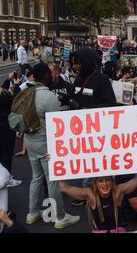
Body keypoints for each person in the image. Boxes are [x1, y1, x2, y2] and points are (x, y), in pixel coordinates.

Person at [24, 63, 80, 229]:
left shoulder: (26, 93)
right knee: (53, 180)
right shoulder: (48, 96)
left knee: (36, 177)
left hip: (30, 141)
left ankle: (32, 213)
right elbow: (58, 126)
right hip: (45, 142)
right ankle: (60, 216)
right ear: (46, 77)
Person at [57, 174, 137, 233]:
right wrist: (55, 163)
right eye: (100, 181)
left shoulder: (118, 192)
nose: (104, 184)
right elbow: (64, 188)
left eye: (107, 180)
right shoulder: (90, 195)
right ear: (96, 184)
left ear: (112, 182)